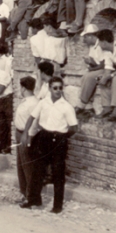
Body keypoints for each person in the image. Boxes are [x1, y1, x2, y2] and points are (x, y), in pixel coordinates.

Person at [24, 76, 78, 213]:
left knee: (57, 173)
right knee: (37, 170)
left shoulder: (66, 107)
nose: (58, 91)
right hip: (43, 137)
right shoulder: (43, 103)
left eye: (60, 88)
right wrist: (26, 133)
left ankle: (57, 206)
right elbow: (32, 117)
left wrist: (62, 137)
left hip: (58, 140)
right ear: (49, 89)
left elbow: (74, 127)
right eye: (55, 88)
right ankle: (34, 200)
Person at [14, 76, 39, 208]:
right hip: (19, 133)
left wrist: (27, 137)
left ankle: (32, 197)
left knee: (28, 166)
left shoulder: (33, 103)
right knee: (21, 165)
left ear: (23, 88)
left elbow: (35, 124)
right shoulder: (25, 101)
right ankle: (24, 194)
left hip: (26, 135)